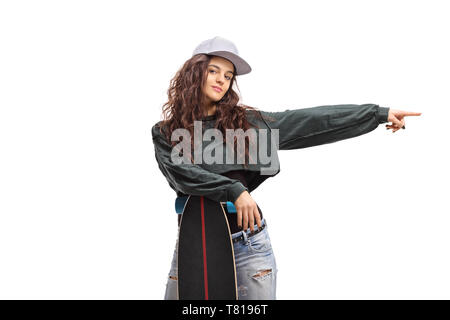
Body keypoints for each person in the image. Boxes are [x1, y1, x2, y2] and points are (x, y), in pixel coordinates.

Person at [151, 36, 422, 300]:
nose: (222, 79)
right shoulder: (166, 132)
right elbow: (183, 174)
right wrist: (234, 190)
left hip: (247, 245)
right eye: (213, 70)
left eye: (229, 75)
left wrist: (376, 114)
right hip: (193, 242)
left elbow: (310, 121)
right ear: (195, 73)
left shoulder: (246, 124)